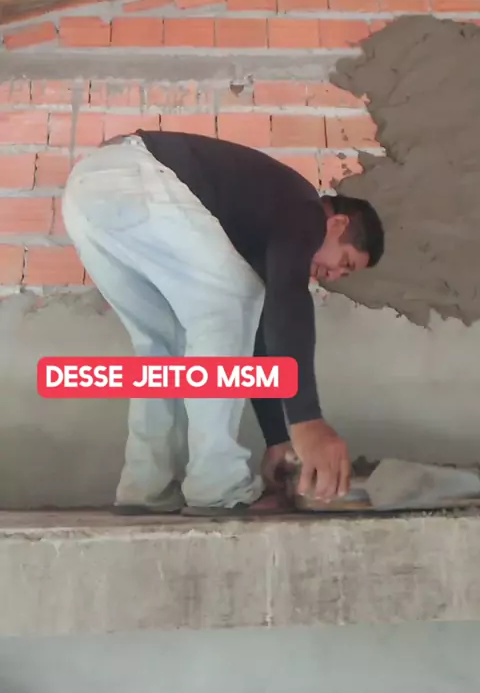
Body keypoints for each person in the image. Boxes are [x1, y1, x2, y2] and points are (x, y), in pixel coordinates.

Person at [62, 129, 384, 517]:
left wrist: (277, 438)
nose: (332, 275)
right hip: (137, 179)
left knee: (163, 343)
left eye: (343, 275)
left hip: (86, 194)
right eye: (344, 262)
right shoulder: (307, 210)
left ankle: (146, 485)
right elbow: (288, 301)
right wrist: (307, 421)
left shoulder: (265, 228)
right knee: (230, 305)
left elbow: (260, 334)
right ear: (337, 224)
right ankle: (217, 484)